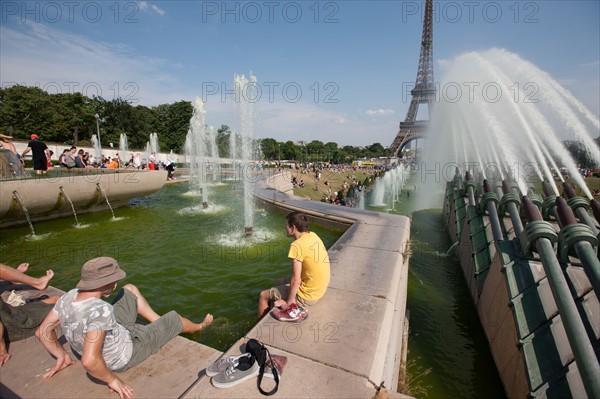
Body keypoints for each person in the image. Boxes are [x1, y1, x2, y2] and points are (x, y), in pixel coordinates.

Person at [36, 257, 213, 398]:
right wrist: (112, 380)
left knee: (129, 289)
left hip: (115, 334)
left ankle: (157, 324)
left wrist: (62, 356)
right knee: (176, 319)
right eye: (114, 280)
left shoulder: (69, 296)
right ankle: (200, 327)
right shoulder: (100, 311)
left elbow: (42, 332)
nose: (116, 284)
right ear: (106, 282)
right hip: (124, 355)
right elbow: (90, 361)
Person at [257, 212, 331, 320]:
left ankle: (259, 324)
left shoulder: (296, 246)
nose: (284, 228)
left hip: (308, 296)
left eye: (286, 225)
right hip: (319, 289)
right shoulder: (313, 235)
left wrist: (289, 302)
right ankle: (274, 300)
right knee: (279, 281)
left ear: (293, 228)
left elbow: (296, 280)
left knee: (263, 295)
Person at [0, 262, 59, 367]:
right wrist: (1, 349)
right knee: (61, 306)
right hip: (10, 325)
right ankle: (36, 283)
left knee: (55, 300)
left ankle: (32, 281)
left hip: (7, 312)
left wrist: (14, 274)